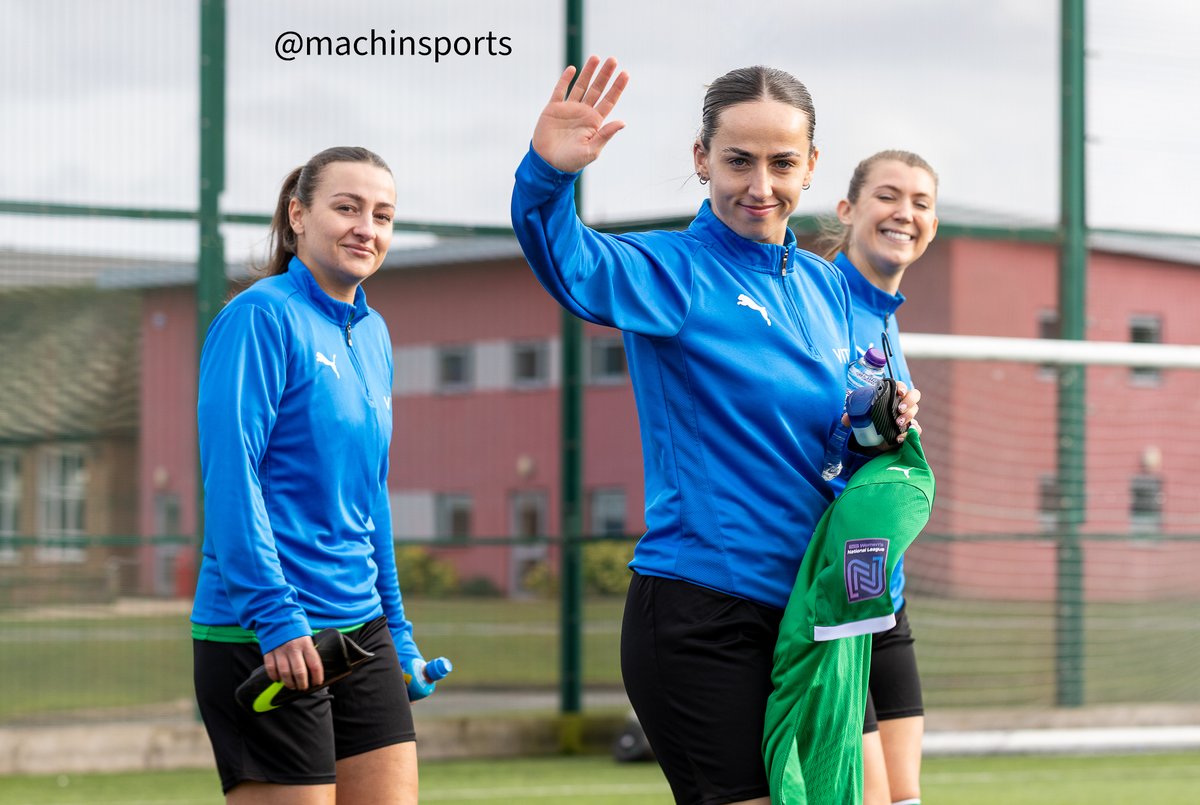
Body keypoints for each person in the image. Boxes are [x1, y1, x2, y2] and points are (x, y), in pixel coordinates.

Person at [510, 57, 922, 805]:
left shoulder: (828, 287)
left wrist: (876, 424)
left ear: (811, 166)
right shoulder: (671, 272)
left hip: (813, 614)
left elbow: (834, 443)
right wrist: (548, 176)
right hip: (706, 617)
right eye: (738, 160)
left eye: (782, 163)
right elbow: (568, 260)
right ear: (702, 159)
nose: (760, 185)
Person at [192, 146, 438, 805]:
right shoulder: (259, 317)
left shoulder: (374, 332)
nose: (367, 228)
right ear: (298, 215)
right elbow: (233, 476)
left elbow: (370, 495)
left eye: (382, 215)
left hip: (362, 631)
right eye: (347, 208)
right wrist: (275, 616)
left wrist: (398, 631)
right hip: (267, 633)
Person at [816, 150, 940, 805]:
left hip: (883, 590)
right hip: (831, 596)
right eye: (888, 196)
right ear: (848, 209)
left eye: (921, 203)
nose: (905, 213)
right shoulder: (817, 301)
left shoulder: (886, 318)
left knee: (905, 798)